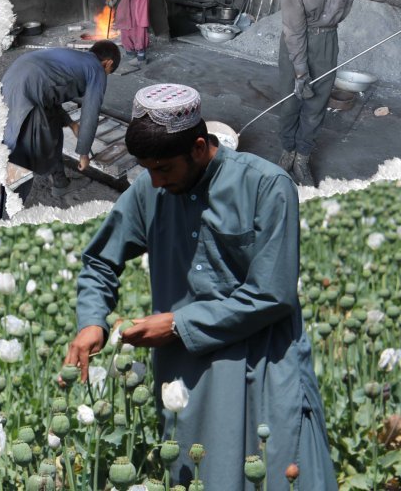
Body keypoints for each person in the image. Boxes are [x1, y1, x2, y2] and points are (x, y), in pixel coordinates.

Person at [64, 84, 337, 489]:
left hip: (264, 366)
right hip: (187, 375)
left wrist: (176, 324)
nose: (154, 182)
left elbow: (272, 294)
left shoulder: (266, 186)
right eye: (147, 169)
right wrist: (92, 322)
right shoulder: (149, 190)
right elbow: (100, 259)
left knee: (284, 476)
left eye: (163, 169)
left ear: (197, 147)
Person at [278, 0, 401, 186]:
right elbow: (294, 30)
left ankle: (302, 156)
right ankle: (287, 150)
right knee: (291, 100)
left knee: (316, 103)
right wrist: (300, 71)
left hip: (326, 42)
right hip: (295, 42)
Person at [2, 40, 121, 203]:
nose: (105, 75)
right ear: (108, 63)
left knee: (52, 130)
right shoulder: (96, 69)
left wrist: (71, 123)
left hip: (14, 77)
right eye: (109, 72)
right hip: (27, 91)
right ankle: (10, 206)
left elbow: (51, 95)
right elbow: (91, 112)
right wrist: (84, 153)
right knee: (23, 152)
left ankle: (60, 183)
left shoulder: (74, 58)